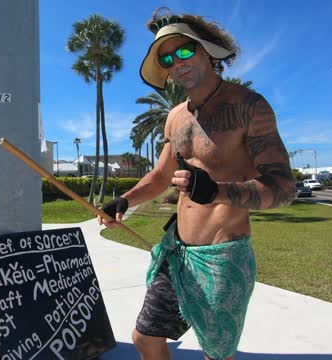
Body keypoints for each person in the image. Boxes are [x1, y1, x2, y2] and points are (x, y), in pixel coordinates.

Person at [98, 8, 295, 360]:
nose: (177, 62)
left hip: (224, 257)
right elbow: (159, 177)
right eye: (168, 58)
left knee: (216, 354)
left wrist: (217, 191)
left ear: (206, 50)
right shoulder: (175, 117)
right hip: (178, 253)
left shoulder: (249, 105)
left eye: (185, 51)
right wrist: (124, 201)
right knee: (145, 338)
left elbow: (283, 188)